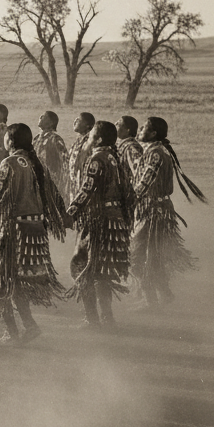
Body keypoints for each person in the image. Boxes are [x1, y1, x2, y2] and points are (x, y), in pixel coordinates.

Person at [0, 123, 69, 345]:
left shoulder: (10, 163)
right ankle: (30, 326)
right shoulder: (35, 162)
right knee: (16, 282)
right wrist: (64, 216)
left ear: (10, 141)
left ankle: (11, 333)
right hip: (36, 232)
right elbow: (54, 194)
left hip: (16, 233)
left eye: (5, 139)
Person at [64, 121, 133, 330]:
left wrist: (70, 214)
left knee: (80, 265)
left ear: (99, 138)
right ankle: (107, 318)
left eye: (92, 134)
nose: (89, 138)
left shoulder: (96, 158)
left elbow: (87, 190)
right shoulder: (114, 157)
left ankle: (92, 319)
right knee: (101, 269)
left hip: (98, 219)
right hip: (114, 219)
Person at [129, 116, 205, 306]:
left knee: (139, 255)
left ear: (153, 133)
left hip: (153, 212)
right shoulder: (153, 151)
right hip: (153, 209)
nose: (139, 130)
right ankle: (163, 295)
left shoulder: (155, 153)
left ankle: (151, 300)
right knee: (152, 255)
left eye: (144, 128)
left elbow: (145, 183)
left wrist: (126, 201)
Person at [32, 110, 69, 200]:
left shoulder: (55, 139)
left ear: (51, 123)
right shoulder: (36, 139)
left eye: (44, 116)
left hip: (51, 181)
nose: (40, 117)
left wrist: (62, 183)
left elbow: (65, 162)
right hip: (36, 178)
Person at [67, 112, 96, 199]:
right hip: (75, 186)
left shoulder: (91, 142)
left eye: (79, 120)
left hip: (85, 188)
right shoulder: (78, 141)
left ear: (87, 126)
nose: (75, 121)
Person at [115, 115, 143, 180]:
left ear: (127, 130)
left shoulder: (131, 148)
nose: (115, 124)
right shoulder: (123, 145)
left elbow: (139, 172)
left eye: (118, 124)